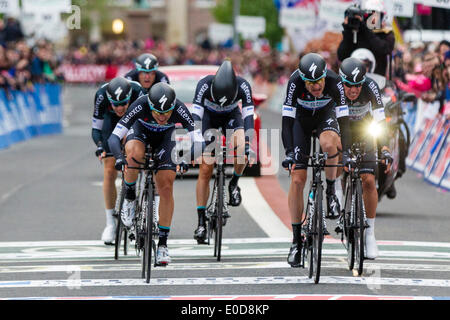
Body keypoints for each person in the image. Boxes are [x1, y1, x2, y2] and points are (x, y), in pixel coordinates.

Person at [108, 83, 204, 265]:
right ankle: (129, 197)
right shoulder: (140, 104)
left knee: (167, 185)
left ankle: (163, 245)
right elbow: (113, 138)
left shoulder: (180, 109)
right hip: (140, 133)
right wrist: (119, 158)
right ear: (150, 106)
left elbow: (199, 142)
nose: (163, 116)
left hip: (165, 138)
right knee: (133, 155)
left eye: (167, 113)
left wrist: (186, 159)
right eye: (158, 112)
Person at [281, 53, 347, 267]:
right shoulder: (294, 82)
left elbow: (344, 120)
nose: (316, 86)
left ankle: (330, 190)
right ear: (303, 80)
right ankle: (296, 241)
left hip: (325, 117)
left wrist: (346, 148)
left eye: (319, 81)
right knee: (298, 179)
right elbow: (287, 122)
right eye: (310, 83)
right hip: (301, 122)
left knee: (330, 145)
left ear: (324, 76)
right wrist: (289, 152)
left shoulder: (335, 81)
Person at [191, 60, 256, 244]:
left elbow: (248, 117)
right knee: (205, 168)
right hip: (208, 119)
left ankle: (234, 183)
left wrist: (248, 144)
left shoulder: (243, 85)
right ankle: (201, 221)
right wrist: (198, 143)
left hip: (231, 117)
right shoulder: (204, 84)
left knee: (242, 147)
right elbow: (196, 116)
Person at [336, 57, 393, 259]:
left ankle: (369, 234)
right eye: (348, 86)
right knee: (337, 164)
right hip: (341, 131)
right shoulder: (335, 87)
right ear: (342, 82)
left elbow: (380, 120)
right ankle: (336, 192)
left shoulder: (371, 87)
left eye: (357, 86)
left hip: (364, 131)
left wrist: (384, 147)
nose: (353, 91)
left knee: (369, 179)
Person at [91, 76, 146, 245]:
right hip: (111, 122)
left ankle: (141, 210)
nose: (120, 107)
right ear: (110, 101)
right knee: (109, 169)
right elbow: (96, 129)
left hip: (134, 121)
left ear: (129, 98)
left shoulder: (139, 92)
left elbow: (145, 123)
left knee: (135, 157)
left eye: (123, 103)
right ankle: (110, 224)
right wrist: (100, 146)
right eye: (116, 104)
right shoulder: (101, 96)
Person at [337, 0, 395, 77]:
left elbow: (384, 50)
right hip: (355, 78)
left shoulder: (386, 34)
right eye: (368, 15)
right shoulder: (356, 32)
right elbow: (342, 56)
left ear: (382, 17)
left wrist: (365, 29)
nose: (371, 20)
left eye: (375, 16)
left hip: (377, 80)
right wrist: (348, 31)